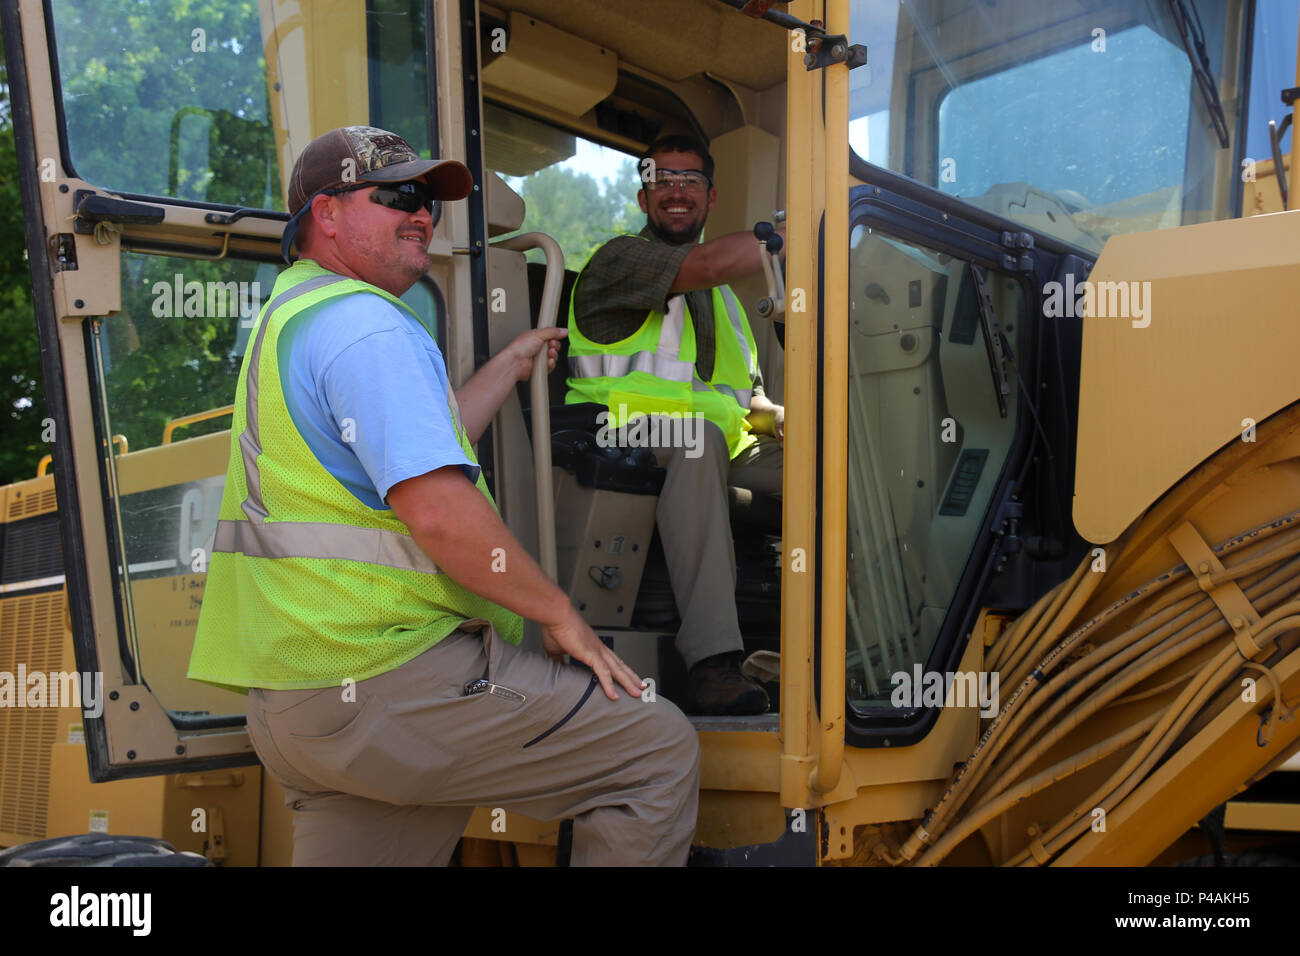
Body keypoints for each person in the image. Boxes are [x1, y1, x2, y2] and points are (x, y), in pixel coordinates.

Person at [187, 126, 699, 866]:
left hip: (298, 704)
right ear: (325, 214)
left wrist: (506, 367)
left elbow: (403, 454)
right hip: (386, 680)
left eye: (428, 199)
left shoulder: (294, 317)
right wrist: (558, 614)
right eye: (397, 195)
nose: (423, 213)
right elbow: (437, 513)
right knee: (655, 748)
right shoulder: (369, 327)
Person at [567, 133, 784, 716]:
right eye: (661, 180)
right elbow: (712, 261)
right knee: (697, 441)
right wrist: (797, 240)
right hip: (617, 432)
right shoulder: (618, 261)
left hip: (723, 444)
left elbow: (743, 400)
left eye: (689, 180)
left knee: (830, 467)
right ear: (643, 199)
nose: (676, 192)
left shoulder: (730, 306)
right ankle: (712, 664)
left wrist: (781, 422)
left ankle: (844, 653)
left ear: (711, 198)